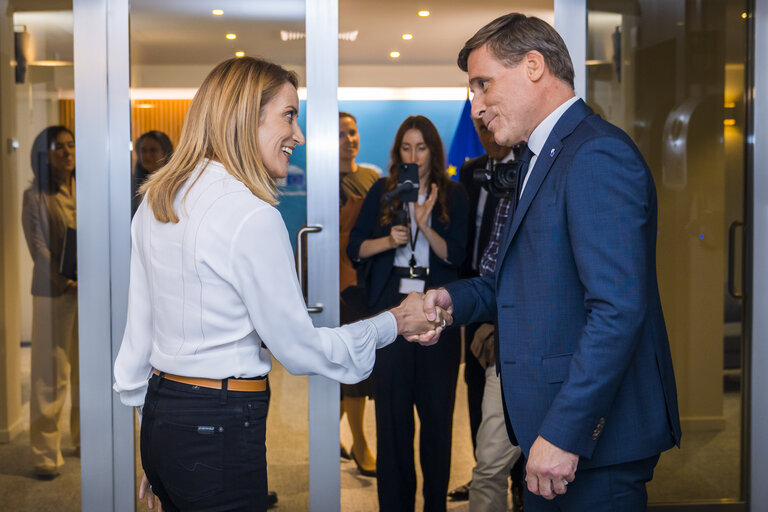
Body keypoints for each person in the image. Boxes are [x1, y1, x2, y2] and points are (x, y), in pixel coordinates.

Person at [112, 57, 448, 512]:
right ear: (247, 116)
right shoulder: (252, 217)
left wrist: (154, 451)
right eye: (289, 115)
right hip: (219, 426)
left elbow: (138, 335)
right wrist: (396, 320)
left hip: (162, 416)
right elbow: (300, 350)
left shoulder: (157, 199)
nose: (300, 135)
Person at [413, 13, 682, 511]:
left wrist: (564, 432)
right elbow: (523, 279)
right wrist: (452, 299)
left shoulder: (595, 154)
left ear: (534, 66)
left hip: (586, 445)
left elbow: (618, 311)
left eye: (483, 84)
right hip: (552, 438)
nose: (476, 107)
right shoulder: (543, 155)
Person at [348, 115, 469, 512]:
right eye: (406, 148)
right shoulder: (384, 192)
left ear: (433, 150)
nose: (414, 156)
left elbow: (458, 255)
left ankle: (434, 504)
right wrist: (390, 238)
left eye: (421, 147)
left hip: (438, 318)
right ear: (397, 152)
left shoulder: (454, 193)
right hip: (392, 321)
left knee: (437, 425)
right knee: (393, 426)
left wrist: (424, 225)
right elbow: (356, 249)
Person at [448, 116, 510, 502]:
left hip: (506, 302)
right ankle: (484, 469)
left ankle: (514, 480)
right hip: (473, 292)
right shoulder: (469, 173)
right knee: (476, 389)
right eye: (481, 128)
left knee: (509, 400)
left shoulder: (527, 171)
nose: (488, 134)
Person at [21, 125, 79, 479]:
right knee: (50, 374)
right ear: (45, 153)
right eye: (60, 147)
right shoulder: (35, 196)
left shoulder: (85, 189)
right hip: (52, 292)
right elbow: (39, 249)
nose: (68, 152)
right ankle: (45, 454)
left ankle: (86, 439)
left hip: (87, 294)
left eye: (71, 145)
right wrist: (65, 280)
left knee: (87, 371)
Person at [337, 111, 379, 476]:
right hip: (335, 283)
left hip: (367, 279)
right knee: (352, 366)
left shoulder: (372, 176)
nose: (348, 139)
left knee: (352, 363)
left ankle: (330, 433)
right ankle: (360, 445)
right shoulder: (323, 179)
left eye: (352, 132)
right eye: (340, 134)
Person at [132, 130, 173, 214]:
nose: (147, 155)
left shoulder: (172, 184)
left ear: (166, 153)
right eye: (143, 151)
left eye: (153, 150)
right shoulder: (134, 183)